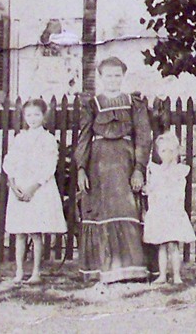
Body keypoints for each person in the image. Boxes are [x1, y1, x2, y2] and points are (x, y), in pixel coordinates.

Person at [75, 56, 152, 284]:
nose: (113, 79)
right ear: (100, 77)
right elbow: (84, 138)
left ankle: (130, 269)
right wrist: (81, 168)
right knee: (100, 211)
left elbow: (143, 137)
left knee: (126, 208)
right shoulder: (93, 104)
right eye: (108, 75)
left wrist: (139, 168)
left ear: (123, 76)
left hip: (125, 164)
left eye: (117, 75)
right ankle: (101, 269)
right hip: (98, 166)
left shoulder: (133, 103)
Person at [3, 98, 68, 284]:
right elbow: (10, 162)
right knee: (20, 232)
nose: (32, 118)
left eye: (36, 115)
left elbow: (49, 167)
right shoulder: (19, 138)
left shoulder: (47, 139)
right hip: (19, 187)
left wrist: (33, 187)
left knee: (35, 232)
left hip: (38, 189)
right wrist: (13, 184)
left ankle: (36, 272)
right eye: (29, 115)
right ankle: (19, 271)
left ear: (44, 116)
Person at [142, 131, 196, 284]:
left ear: (176, 152)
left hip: (172, 211)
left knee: (173, 245)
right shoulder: (156, 171)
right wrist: (147, 189)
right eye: (163, 151)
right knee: (162, 246)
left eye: (171, 151)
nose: (167, 155)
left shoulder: (178, 171)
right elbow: (152, 189)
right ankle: (162, 275)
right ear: (159, 153)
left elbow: (178, 191)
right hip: (160, 212)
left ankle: (177, 275)